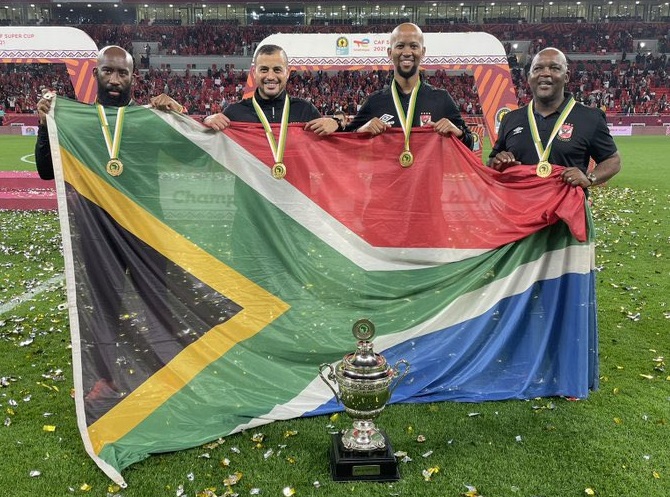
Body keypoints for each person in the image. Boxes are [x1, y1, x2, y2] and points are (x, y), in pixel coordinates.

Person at [35, 45, 182, 179]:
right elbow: (46, 172)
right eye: (107, 71)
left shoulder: (150, 120)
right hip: (92, 209)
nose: (114, 80)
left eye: (123, 73)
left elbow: (189, 158)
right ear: (95, 73)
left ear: (133, 78)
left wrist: (178, 118)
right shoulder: (78, 123)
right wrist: (44, 126)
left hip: (139, 209)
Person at [487, 47, 621, 189]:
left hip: (567, 209)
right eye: (537, 68)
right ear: (528, 77)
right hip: (520, 208)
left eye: (554, 68)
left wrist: (589, 178)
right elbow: (492, 162)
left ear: (566, 76)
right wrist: (498, 162)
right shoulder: (510, 119)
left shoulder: (590, 117)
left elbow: (613, 160)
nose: (545, 73)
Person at [344, 22, 474, 151]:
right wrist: (361, 130)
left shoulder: (441, 99)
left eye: (413, 46)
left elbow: (470, 144)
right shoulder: (374, 101)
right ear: (390, 52)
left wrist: (458, 133)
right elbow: (344, 141)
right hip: (388, 172)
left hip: (428, 172)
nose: (407, 52)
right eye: (400, 46)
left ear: (423, 52)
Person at [201, 44, 340, 135]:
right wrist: (205, 121)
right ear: (254, 72)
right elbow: (200, 146)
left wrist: (337, 123)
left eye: (277, 70)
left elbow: (338, 147)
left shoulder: (305, 110)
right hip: (248, 182)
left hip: (293, 181)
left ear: (287, 73)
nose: (271, 76)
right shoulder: (234, 112)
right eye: (264, 70)